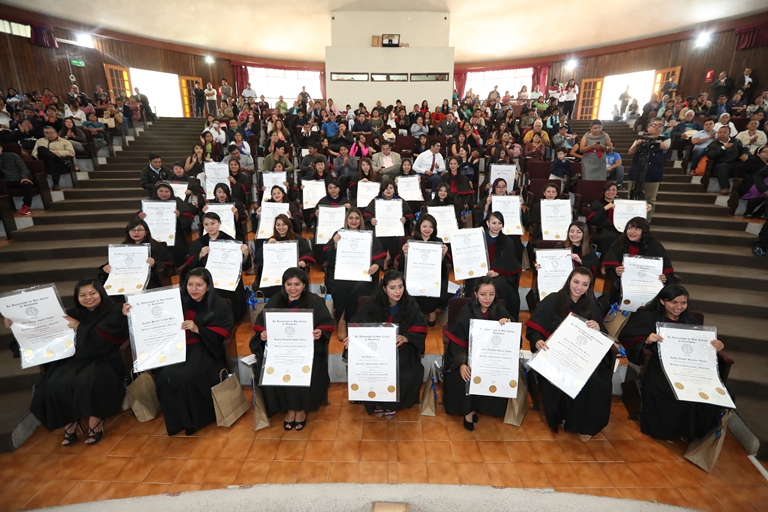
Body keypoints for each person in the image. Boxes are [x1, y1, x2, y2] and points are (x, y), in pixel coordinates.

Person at [17, 279, 127, 446]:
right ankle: (70, 422)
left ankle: (95, 422)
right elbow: (42, 327)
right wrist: (16, 324)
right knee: (55, 384)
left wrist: (79, 327)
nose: (88, 298)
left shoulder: (113, 311)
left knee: (88, 382)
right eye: (82, 295)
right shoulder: (72, 313)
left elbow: (108, 339)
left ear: (101, 294)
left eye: (92, 293)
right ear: (77, 297)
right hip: (74, 358)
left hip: (103, 358)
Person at [127, 268, 232, 436]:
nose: (194, 289)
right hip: (176, 347)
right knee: (165, 377)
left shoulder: (218, 304)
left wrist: (198, 328)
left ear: (208, 286)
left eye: (199, 284)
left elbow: (223, 332)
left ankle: (195, 420)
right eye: (190, 284)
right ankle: (177, 421)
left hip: (204, 348)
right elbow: (152, 315)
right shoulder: (176, 300)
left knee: (188, 377)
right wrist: (132, 312)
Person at [618, 285, 727, 441]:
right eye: (674, 302)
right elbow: (627, 337)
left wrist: (715, 347)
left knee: (712, 391)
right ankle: (668, 431)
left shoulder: (691, 320)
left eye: (683, 303)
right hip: (661, 365)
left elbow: (701, 346)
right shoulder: (647, 316)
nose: (679, 307)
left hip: (690, 366)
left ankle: (694, 431)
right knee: (667, 390)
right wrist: (646, 340)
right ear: (662, 301)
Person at [526, 268, 611, 440]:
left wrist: (597, 328)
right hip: (556, 355)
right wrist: (537, 341)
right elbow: (534, 329)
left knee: (597, 380)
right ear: (569, 281)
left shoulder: (592, 306)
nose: (579, 287)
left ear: (589, 286)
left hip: (582, 356)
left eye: (585, 284)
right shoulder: (553, 300)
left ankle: (585, 425)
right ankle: (567, 418)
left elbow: (602, 335)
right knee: (566, 378)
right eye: (576, 282)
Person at [251, 267, 334, 429]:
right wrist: (263, 335)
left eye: (297, 284)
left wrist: (320, 333)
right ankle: (289, 408)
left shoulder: (315, 301)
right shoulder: (276, 300)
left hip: (306, 350)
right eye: (289, 284)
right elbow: (261, 324)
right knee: (273, 368)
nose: (293, 288)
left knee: (307, 368)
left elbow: (327, 324)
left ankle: (301, 409)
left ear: (304, 284)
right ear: (284, 285)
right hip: (280, 350)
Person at [346, 270, 426, 419]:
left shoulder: (410, 304)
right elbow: (358, 325)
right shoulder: (373, 304)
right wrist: (353, 338)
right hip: (376, 352)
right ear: (384, 288)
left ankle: (391, 404)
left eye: (400, 286)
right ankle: (376, 402)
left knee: (406, 372)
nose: (397, 291)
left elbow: (419, 327)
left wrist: (406, 338)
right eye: (392, 287)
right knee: (374, 370)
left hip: (401, 351)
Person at [443, 277, 516, 429]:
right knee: (466, 375)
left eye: (491, 294)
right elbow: (457, 343)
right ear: (475, 293)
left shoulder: (499, 310)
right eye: (483, 294)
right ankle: (468, 413)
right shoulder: (466, 311)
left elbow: (513, 341)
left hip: (490, 359)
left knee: (495, 374)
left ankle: (481, 408)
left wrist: (507, 327)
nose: (487, 298)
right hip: (467, 357)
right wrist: (462, 363)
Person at [324, 208, 385, 337]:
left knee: (360, 287)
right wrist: (334, 244)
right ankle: (341, 320)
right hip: (341, 273)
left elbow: (379, 256)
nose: (354, 221)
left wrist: (376, 264)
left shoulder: (368, 235)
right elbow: (326, 255)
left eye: (357, 218)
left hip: (362, 273)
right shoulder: (339, 233)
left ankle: (352, 320)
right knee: (340, 286)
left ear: (361, 220)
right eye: (350, 218)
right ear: (346, 219)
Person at [187, 212, 251, 320]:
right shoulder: (199, 243)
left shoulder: (230, 240)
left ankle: (233, 316)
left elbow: (242, 264)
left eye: (213, 223)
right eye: (206, 224)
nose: (210, 227)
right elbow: (191, 265)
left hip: (228, 275)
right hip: (209, 279)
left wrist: (246, 254)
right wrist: (200, 255)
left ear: (219, 223)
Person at [602, 216, 677, 306]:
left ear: (644, 231)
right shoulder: (620, 242)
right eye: (629, 228)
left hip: (648, 288)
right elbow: (610, 260)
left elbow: (666, 270)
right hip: (624, 287)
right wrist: (616, 268)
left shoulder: (654, 245)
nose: (632, 232)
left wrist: (664, 277)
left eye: (637, 229)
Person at [394, 213, 450, 326]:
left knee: (434, 284)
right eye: (424, 226)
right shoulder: (411, 241)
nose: (427, 229)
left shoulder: (438, 242)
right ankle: (413, 312)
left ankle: (432, 311)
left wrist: (443, 255)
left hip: (432, 274)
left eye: (431, 226)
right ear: (419, 226)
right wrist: (405, 254)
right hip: (415, 273)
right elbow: (401, 266)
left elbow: (443, 267)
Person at [464, 211, 521, 320]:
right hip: (479, 272)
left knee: (500, 284)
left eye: (500, 223)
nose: (497, 226)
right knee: (474, 282)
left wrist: (497, 272)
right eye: (494, 223)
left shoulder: (507, 241)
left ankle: (499, 317)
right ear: (487, 223)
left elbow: (510, 264)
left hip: (499, 275)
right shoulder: (477, 238)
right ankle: (475, 316)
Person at [99, 219, 173, 294]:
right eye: (132, 230)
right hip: (125, 278)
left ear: (146, 232)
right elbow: (113, 263)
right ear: (128, 232)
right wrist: (106, 268)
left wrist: (155, 263)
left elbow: (168, 264)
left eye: (139, 230)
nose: (136, 232)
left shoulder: (156, 246)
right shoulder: (123, 247)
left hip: (148, 279)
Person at [255, 214, 314, 298]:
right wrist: (267, 245)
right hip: (274, 272)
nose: (281, 227)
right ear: (275, 226)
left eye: (284, 224)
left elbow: (307, 253)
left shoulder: (297, 239)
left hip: (293, 272)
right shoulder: (271, 240)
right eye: (278, 225)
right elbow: (258, 258)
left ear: (288, 225)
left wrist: (303, 261)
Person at [363, 178, 414, 266]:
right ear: (382, 190)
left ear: (395, 189)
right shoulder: (376, 200)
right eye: (386, 188)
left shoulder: (400, 201)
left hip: (396, 229)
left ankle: (394, 260)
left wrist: (405, 219)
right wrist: (371, 219)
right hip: (380, 228)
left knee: (400, 236)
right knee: (376, 235)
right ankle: (382, 260)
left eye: (391, 188)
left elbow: (410, 215)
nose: (388, 190)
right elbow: (367, 214)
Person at [627, 117, 670, 218]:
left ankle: (646, 221)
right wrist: (637, 144)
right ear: (648, 127)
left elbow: (664, 147)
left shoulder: (665, 139)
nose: (656, 128)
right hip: (636, 171)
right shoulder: (640, 138)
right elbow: (630, 152)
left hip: (653, 172)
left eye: (660, 125)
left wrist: (654, 140)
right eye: (654, 125)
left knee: (650, 199)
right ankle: (629, 218)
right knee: (631, 196)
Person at [705, 126, 750, 194]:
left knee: (749, 163)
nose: (722, 134)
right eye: (720, 132)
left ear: (729, 134)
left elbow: (744, 148)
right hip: (720, 163)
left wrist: (745, 154)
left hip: (735, 162)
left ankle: (747, 189)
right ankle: (725, 187)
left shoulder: (736, 141)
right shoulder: (713, 144)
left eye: (724, 132)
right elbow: (710, 155)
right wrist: (723, 148)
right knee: (723, 166)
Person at [32, 125, 75, 190]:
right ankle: (60, 160)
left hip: (56, 161)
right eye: (47, 133)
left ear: (55, 133)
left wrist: (59, 153)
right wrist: (37, 155)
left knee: (52, 161)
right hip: (44, 161)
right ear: (44, 134)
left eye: (51, 132)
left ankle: (56, 183)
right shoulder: (40, 141)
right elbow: (34, 151)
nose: (49, 134)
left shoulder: (64, 141)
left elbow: (71, 152)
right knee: (41, 148)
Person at [0, 144, 34, 215]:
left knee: (27, 185)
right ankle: (8, 208)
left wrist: (25, 177)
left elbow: (23, 168)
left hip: (19, 179)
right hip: (5, 181)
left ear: (1, 148)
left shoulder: (13, 156)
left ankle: (26, 206)